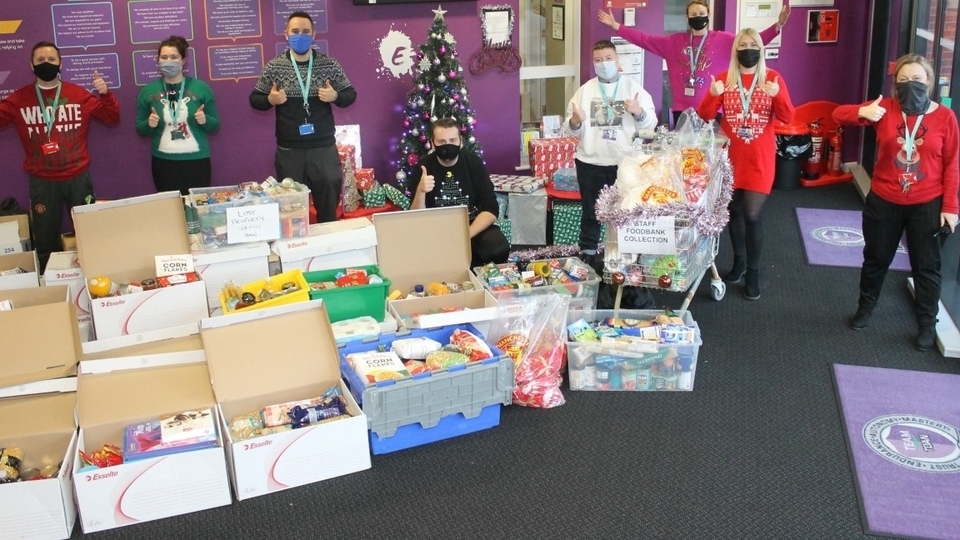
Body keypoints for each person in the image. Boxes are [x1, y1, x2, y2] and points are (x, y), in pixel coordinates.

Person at [833, 54, 959, 351]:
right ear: (894, 85)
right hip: (884, 200)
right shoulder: (885, 110)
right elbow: (838, 115)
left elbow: (953, 164)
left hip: (926, 203)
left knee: (927, 266)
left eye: (916, 79)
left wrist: (951, 207)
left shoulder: (944, 118)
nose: (909, 85)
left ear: (929, 82)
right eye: (902, 81)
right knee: (876, 259)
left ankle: (928, 323)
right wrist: (863, 111)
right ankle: (865, 308)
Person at [0, 41, 120, 272]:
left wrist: (106, 95)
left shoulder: (78, 94)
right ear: (32, 65)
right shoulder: (18, 99)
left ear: (60, 64)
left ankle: (93, 276)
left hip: (78, 176)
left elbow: (112, 118)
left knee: (88, 234)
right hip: (42, 181)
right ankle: (50, 283)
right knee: (44, 240)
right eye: (41, 61)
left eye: (51, 60)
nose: (46, 64)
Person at [698, 28, 794, 301]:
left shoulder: (772, 78)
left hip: (760, 158)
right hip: (731, 156)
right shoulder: (723, 79)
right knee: (734, 211)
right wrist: (712, 94)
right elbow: (706, 115)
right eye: (743, 44)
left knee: (752, 214)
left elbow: (788, 117)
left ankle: (753, 271)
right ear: (735, 49)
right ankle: (739, 261)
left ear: (761, 49)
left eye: (753, 44)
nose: (748, 49)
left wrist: (777, 95)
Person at [564, 39, 657, 309]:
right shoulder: (584, 91)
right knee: (591, 214)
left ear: (617, 61)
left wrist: (638, 112)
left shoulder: (633, 89)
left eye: (607, 58)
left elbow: (650, 125)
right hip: (591, 161)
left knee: (625, 216)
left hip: (624, 164)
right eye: (598, 59)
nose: (603, 63)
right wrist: (575, 122)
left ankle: (625, 267)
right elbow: (573, 129)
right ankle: (589, 264)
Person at [599, 1, 790, 126]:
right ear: (687, 17)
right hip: (683, 109)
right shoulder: (672, 42)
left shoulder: (725, 40)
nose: (698, 16)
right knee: (686, 157)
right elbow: (645, 39)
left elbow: (753, 42)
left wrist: (777, 26)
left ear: (707, 15)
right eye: (693, 13)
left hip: (715, 107)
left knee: (712, 158)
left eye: (701, 12)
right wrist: (617, 26)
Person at [250, 11, 356, 223]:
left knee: (328, 208)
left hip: (323, 149)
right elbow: (254, 99)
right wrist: (270, 100)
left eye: (306, 32)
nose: (301, 36)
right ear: (286, 35)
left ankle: (327, 249)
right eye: (295, 31)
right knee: (291, 213)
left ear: (314, 34)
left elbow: (350, 94)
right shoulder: (274, 67)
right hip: (290, 151)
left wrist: (335, 96)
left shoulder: (329, 64)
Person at [408, 118, 510, 268]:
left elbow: (491, 209)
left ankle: (479, 275)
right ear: (432, 142)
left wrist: (465, 235)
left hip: (471, 227)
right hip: (435, 229)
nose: (447, 145)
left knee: (498, 247)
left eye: (452, 140)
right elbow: (414, 217)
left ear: (460, 141)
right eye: (441, 141)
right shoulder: (423, 167)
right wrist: (421, 191)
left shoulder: (474, 163)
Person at [135, 35, 219, 195]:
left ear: (182, 60)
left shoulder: (201, 88)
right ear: (158, 60)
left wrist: (205, 120)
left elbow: (215, 125)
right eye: (164, 57)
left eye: (174, 57)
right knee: (171, 210)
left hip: (197, 162)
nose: (169, 61)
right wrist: (148, 124)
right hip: (164, 163)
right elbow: (139, 128)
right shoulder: (148, 91)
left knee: (196, 209)